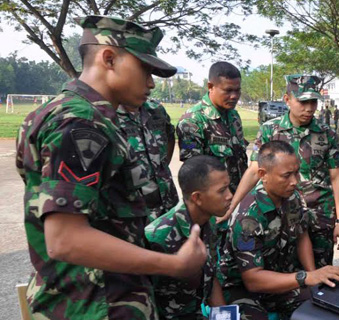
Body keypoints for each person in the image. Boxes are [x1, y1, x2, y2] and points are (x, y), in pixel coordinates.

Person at [15, 16, 207, 319]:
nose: (151, 82)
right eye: (145, 68)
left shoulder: (72, 114)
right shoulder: (80, 123)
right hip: (95, 305)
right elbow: (65, 239)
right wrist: (174, 265)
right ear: (108, 58)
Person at [218, 141, 339, 320]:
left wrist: (314, 277)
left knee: (326, 303)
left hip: (282, 278)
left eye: (296, 173)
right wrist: (305, 277)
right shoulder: (249, 216)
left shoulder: (292, 197)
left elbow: (302, 236)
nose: (295, 182)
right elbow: (252, 280)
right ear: (263, 175)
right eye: (287, 175)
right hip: (243, 287)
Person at [227, 75, 339, 268]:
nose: (309, 108)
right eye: (302, 101)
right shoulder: (270, 130)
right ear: (287, 99)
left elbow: (336, 177)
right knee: (283, 268)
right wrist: (233, 206)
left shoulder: (327, 133)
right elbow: (254, 170)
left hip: (319, 214)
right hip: (282, 214)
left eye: (313, 102)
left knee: (322, 271)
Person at [146, 155, 231, 319]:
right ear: (197, 198)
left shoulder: (209, 221)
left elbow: (210, 274)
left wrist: (224, 316)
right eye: (222, 191)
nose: (230, 195)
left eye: (228, 188)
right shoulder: (158, 237)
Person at [176, 61, 247, 252]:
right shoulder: (192, 121)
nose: (234, 96)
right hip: (214, 211)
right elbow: (194, 174)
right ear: (210, 87)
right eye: (228, 90)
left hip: (238, 204)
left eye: (237, 90)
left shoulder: (234, 117)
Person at [117, 99, 179, 221]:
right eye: (144, 78)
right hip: (134, 215)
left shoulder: (156, 110)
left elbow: (170, 135)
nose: (151, 84)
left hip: (168, 205)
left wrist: (162, 166)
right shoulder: (105, 116)